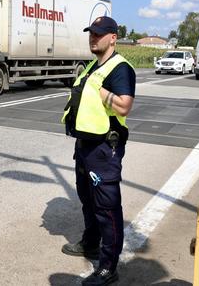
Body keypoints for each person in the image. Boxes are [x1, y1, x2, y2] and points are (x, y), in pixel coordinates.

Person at [60, 15, 136, 286]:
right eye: (91, 33)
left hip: (105, 149)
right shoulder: (93, 66)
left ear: (113, 37)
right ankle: (91, 243)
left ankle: (108, 266)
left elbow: (125, 106)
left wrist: (101, 92)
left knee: (107, 208)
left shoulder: (120, 69)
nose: (93, 37)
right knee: (87, 200)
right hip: (84, 147)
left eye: (99, 33)